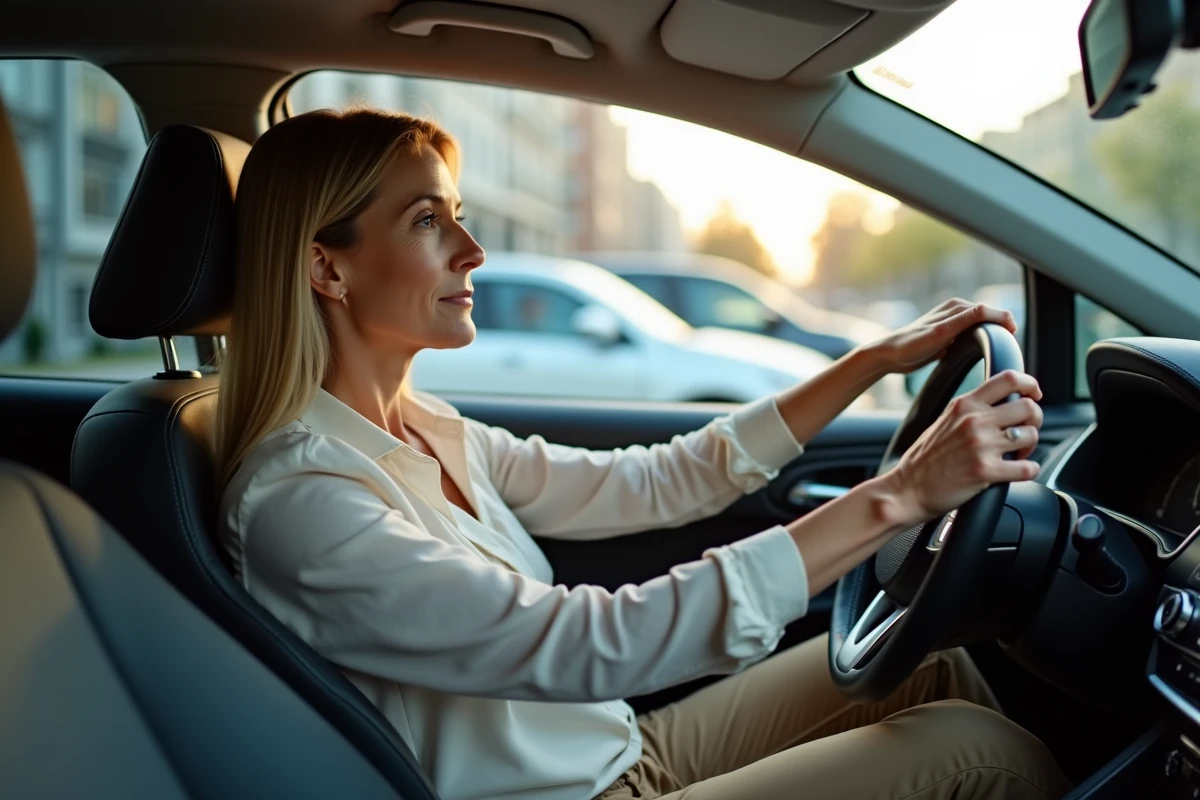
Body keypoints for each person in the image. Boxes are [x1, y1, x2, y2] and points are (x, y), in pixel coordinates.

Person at [215, 108, 1070, 800]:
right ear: (329, 269)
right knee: (975, 754)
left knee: (934, 668)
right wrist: (902, 496)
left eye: (458, 218)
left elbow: (657, 481)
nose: (472, 253)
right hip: (579, 794)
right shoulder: (306, 499)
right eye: (428, 221)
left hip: (621, 749)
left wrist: (867, 364)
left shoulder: (427, 428)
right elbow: (591, 642)